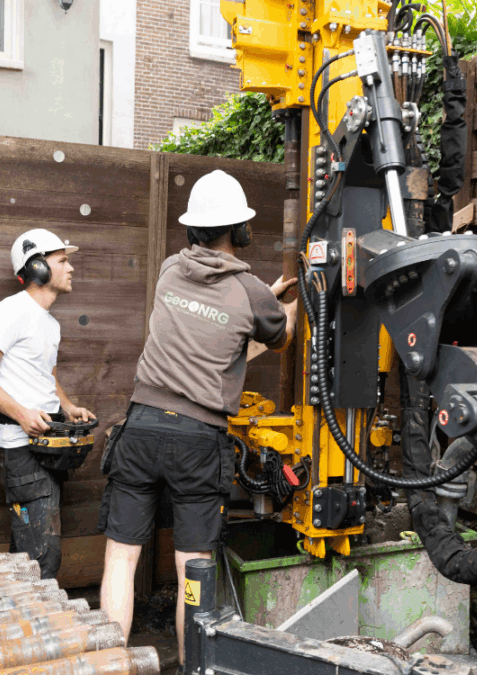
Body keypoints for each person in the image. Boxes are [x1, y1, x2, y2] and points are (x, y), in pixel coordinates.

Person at [98, 170, 297, 660]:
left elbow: (209, 332)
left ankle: (104, 664)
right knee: (193, 566)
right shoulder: (252, 293)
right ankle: (191, 668)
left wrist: (259, 297)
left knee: (122, 557)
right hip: (196, 439)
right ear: (242, 231)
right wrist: (284, 304)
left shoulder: (169, 269)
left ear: (192, 230)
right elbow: (278, 336)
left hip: (140, 427)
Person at [0, 228, 96, 580]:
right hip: (22, 449)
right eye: (62, 261)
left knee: (30, 551)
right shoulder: (11, 311)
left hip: (47, 445)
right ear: (37, 267)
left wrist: (67, 406)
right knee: (41, 559)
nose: (71, 268)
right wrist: (21, 413)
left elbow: (45, 377)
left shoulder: (49, 324)